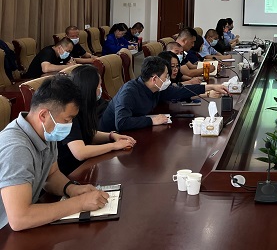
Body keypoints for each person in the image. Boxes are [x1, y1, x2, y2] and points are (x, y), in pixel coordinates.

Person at [0, 76, 109, 231]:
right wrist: (80, 203)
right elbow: (20, 218)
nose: (69, 125)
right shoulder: (16, 148)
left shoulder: (45, 131)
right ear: (43, 115)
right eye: (67, 120)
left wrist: (72, 189)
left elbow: (51, 175)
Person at [98, 57, 228, 132]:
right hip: (111, 137)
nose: (168, 80)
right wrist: (152, 120)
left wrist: (210, 87)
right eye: (166, 76)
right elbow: (121, 123)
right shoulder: (129, 92)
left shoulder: (156, 88)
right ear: (155, 79)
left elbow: (181, 91)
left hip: (135, 132)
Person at [58, 66, 136, 176]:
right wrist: (114, 146)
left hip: (83, 166)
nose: (101, 89)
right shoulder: (69, 113)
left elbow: (87, 133)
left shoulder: (84, 107)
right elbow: (80, 152)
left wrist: (112, 136)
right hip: (70, 172)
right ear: (89, 88)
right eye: (99, 85)